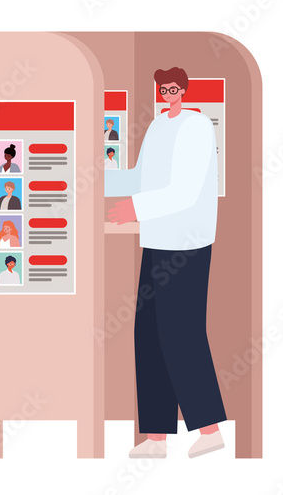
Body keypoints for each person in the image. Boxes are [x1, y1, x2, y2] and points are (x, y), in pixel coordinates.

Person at [106, 67, 227, 459]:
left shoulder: (197, 127)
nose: (167, 94)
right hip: (156, 241)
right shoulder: (158, 126)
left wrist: (135, 209)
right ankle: (156, 436)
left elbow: (186, 191)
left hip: (187, 243)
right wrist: (95, 178)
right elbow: (142, 177)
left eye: (173, 89)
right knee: (149, 336)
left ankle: (209, 430)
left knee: (182, 334)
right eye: (162, 89)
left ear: (184, 90)